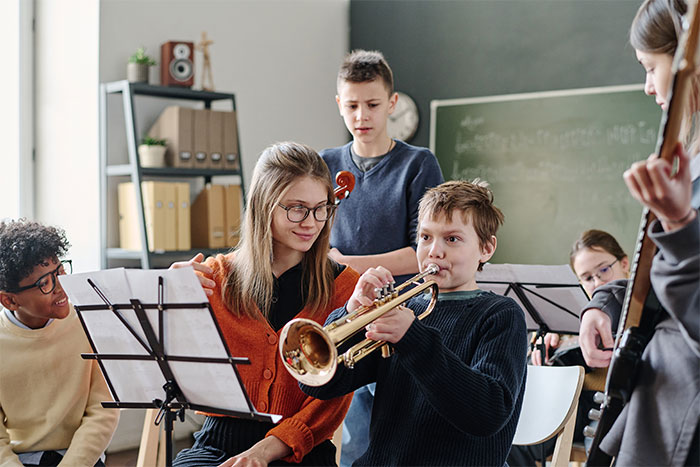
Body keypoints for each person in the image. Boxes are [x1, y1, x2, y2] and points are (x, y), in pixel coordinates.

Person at [301, 180, 528, 466]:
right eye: (425, 237)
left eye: (452, 239)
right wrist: (352, 312)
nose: (434, 251)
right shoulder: (405, 307)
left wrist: (413, 338)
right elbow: (318, 387)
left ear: (486, 248)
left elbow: (487, 414)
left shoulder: (500, 316)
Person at [172, 142, 360, 466]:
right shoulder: (215, 276)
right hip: (217, 443)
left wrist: (264, 451)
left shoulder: (345, 288)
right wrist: (165, 299)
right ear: (263, 205)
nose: (312, 222)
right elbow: (170, 368)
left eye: (321, 208)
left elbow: (332, 403)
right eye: (297, 208)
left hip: (302, 451)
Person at [578, 0, 700, 464]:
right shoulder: (688, 160)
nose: (649, 87)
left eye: (651, 68)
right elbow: (657, 283)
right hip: (656, 404)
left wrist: (680, 225)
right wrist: (603, 304)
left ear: (689, 60)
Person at [320, 49, 444, 465]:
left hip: (401, 314)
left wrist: (345, 263)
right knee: (355, 441)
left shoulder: (418, 163)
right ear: (339, 104)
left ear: (391, 103)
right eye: (352, 105)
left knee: (403, 428)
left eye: (372, 104)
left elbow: (421, 254)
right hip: (344, 314)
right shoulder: (325, 165)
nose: (362, 116)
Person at [0, 219, 119, 467]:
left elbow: (103, 409)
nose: (61, 287)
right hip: (20, 459)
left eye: (60, 271)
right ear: (10, 301)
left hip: (80, 457)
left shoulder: (89, 322)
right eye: (45, 283)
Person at [508, 230, 630, 466]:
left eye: (604, 270)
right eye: (587, 277)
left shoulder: (639, 309)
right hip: (559, 406)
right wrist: (548, 351)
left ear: (624, 263)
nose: (598, 283)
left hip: (599, 410)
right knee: (510, 438)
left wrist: (571, 374)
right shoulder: (573, 315)